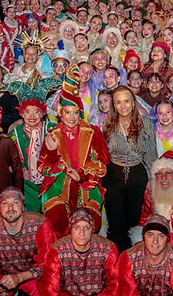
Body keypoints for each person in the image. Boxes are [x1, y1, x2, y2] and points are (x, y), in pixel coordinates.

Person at [39, 66, 110, 237]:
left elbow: (102, 164)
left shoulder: (92, 132)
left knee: (86, 229)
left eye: (75, 113)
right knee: (58, 228)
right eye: (67, 112)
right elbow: (43, 166)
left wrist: (82, 175)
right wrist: (52, 152)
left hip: (86, 187)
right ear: (60, 114)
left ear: (80, 114)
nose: (71, 117)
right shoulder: (53, 134)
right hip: (59, 189)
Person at [102, 84, 157, 250]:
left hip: (137, 176)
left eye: (126, 101)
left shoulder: (145, 123)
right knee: (115, 223)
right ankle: (115, 261)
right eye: (118, 102)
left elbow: (151, 153)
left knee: (134, 223)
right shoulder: (108, 124)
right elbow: (103, 154)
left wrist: (153, 179)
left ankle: (131, 258)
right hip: (114, 176)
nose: (122, 106)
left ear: (134, 103)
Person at [8, 93, 52, 213]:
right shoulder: (14, 134)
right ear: (22, 114)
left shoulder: (52, 130)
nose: (32, 116)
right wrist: (20, 169)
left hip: (49, 183)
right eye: (28, 112)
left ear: (43, 114)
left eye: (36, 112)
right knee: (31, 219)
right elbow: (7, 159)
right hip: (26, 185)